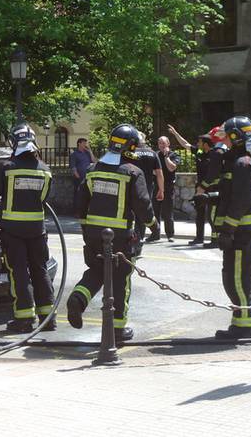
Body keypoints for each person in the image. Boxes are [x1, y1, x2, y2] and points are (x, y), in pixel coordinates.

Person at [67, 124, 157, 344]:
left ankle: (78, 298)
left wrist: (86, 230)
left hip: (94, 234)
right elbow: (143, 204)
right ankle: (117, 329)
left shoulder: (92, 169)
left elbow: (80, 203)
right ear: (131, 147)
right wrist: (154, 225)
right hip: (120, 237)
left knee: (96, 271)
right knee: (120, 279)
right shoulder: (133, 172)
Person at [0, 123, 55, 333]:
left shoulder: (6, 168)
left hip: (13, 231)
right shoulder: (45, 170)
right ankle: (48, 318)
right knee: (40, 270)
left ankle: (24, 318)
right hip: (37, 231)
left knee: (19, 272)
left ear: (14, 143)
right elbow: (44, 199)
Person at [214, 116, 251, 339]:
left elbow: (241, 200)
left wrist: (227, 229)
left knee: (235, 277)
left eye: (227, 136)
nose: (224, 141)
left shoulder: (241, 163)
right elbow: (238, 193)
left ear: (236, 136)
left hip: (240, 229)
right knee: (249, 275)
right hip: (249, 228)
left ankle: (244, 326)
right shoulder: (249, 159)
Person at [167, 125, 213, 245]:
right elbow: (185, 145)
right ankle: (199, 238)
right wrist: (175, 133)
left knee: (213, 215)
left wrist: (204, 186)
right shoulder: (199, 152)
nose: (197, 144)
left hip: (211, 188)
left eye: (199, 142)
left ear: (206, 144)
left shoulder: (214, 155)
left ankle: (215, 239)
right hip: (199, 188)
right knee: (200, 214)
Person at [121, 131, 164, 255]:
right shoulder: (152, 153)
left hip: (129, 186)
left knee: (128, 213)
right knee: (142, 214)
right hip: (146, 189)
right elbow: (159, 174)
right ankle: (138, 242)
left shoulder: (129, 153)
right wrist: (161, 190)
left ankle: (128, 241)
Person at [147, 135, 181, 242]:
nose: (161, 145)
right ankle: (155, 234)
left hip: (168, 186)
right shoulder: (155, 155)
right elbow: (151, 170)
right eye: (159, 143)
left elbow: (171, 168)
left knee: (167, 212)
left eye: (163, 143)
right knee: (155, 212)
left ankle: (170, 235)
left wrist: (166, 156)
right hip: (156, 185)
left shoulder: (174, 155)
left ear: (168, 144)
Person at [68, 138, 96, 212]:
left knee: (86, 195)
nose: (85, 145)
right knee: (78, 195)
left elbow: (94, 161)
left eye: (85, 143)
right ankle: (76, 212)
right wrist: (78, 177)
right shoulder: (74, 154)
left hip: (87, 178)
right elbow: (73, 167)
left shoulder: (87, 153)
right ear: (79, 144)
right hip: (79, 178)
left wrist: (90, 151)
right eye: (84, 143)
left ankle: (85, 211)